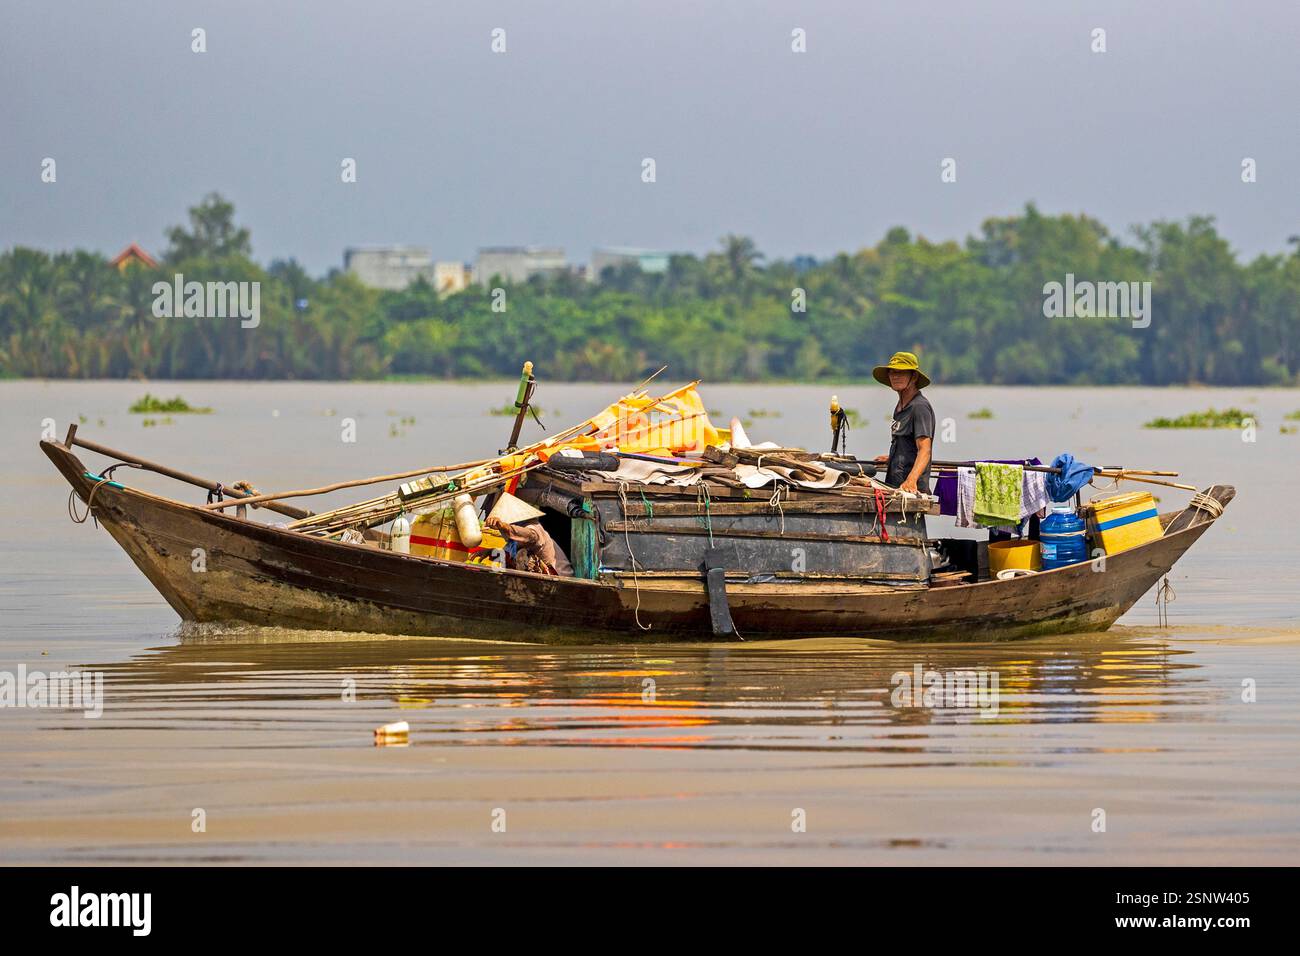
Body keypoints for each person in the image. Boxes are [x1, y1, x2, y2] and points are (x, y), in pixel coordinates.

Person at [871, 351, 935, 495]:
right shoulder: (900, 407)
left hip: (911, 489)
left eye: (901, 372)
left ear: (914, 377)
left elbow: (925, 450)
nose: (895, 376)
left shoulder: (919, 407)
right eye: (892, 372)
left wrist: (911, 480)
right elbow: (907, 443)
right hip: (895, 484)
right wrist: (893, 457)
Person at [484, 492, 574, 576]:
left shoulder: (534, 528)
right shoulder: (514, 541)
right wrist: (490, 552)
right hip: (545, 578)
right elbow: (507, 554)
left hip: (558, 575)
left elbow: (528, 536)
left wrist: (504, 526)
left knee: (522, 555)